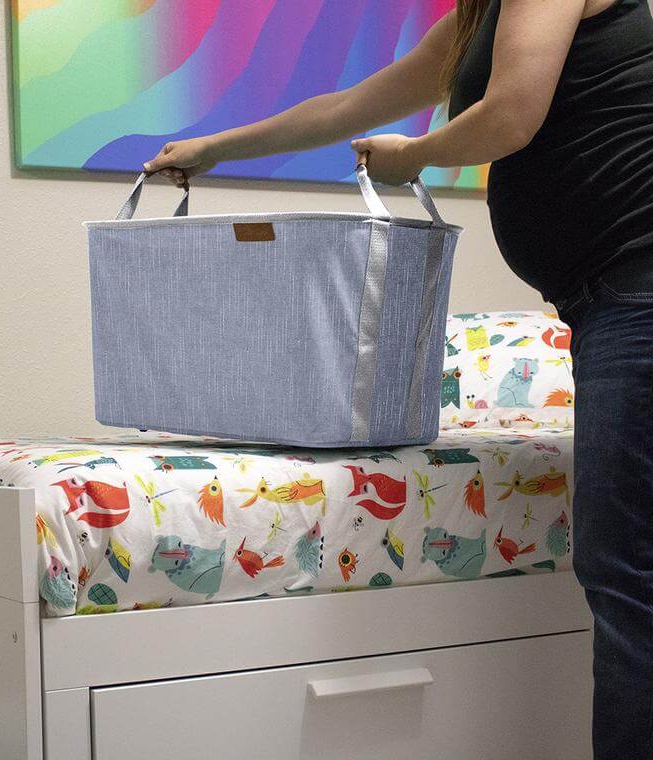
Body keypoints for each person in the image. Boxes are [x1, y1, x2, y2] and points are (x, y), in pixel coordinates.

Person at [143, 1, 653, 756]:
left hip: (637, 293)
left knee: (627, 579)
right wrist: (218, 147)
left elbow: (512, 112)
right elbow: (349, 106)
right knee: (630, 577)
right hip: (609, 300)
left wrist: (413, 157)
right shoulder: (480, 16)